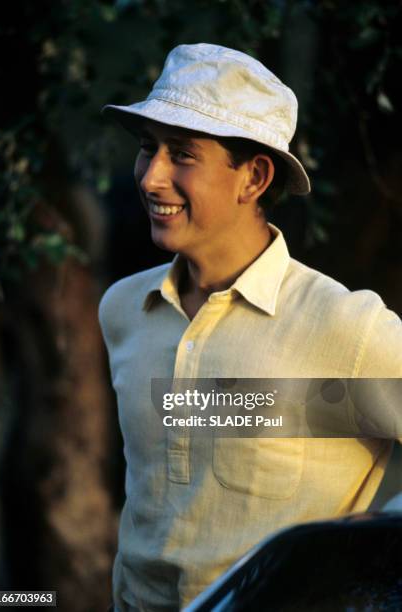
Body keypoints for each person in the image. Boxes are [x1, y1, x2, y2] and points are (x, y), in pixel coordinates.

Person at [99, 43, 402, 611]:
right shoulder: (122, 310)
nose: (151, 178)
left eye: (183, 154)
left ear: (254, 177)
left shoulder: (344, 327)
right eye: (147, 149)